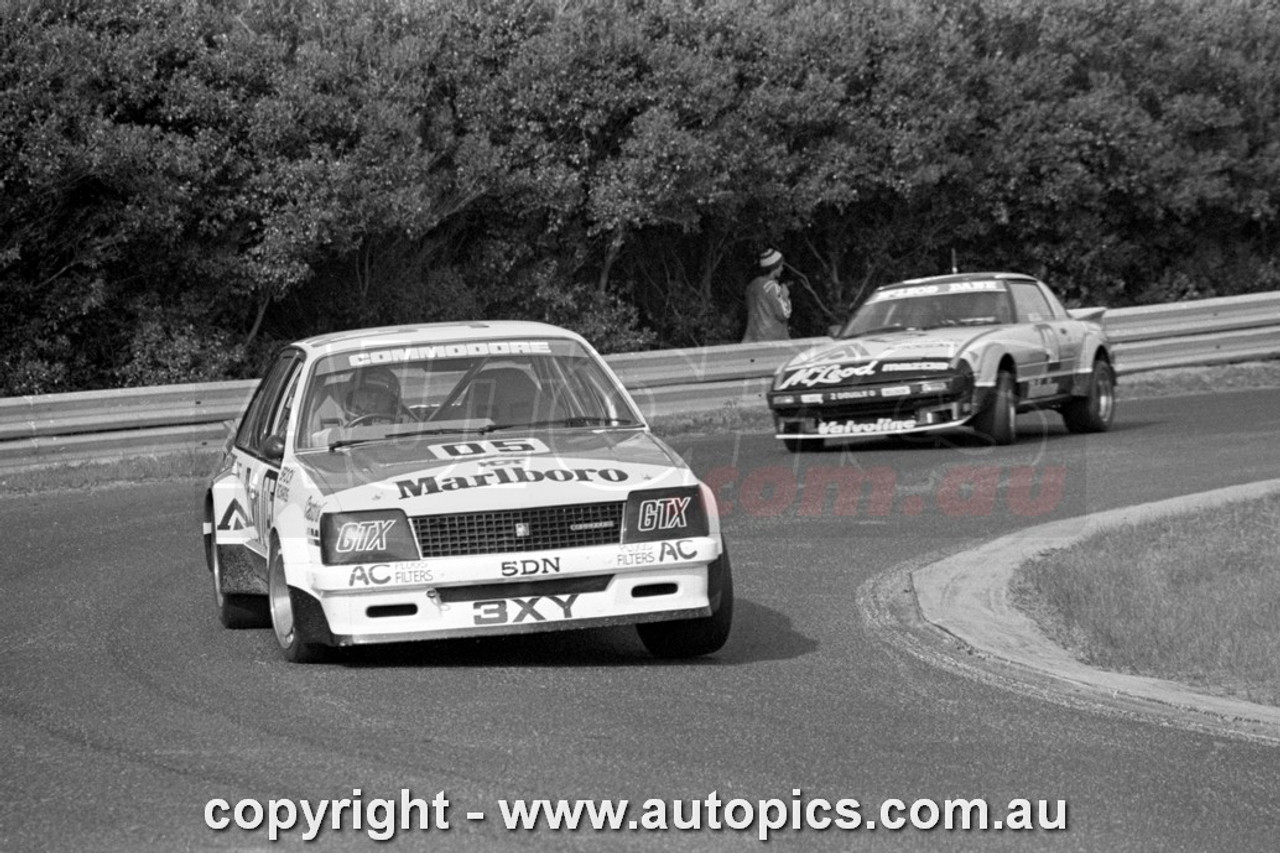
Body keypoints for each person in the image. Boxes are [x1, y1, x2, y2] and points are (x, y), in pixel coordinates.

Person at [741, 247, 792, 342]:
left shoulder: (752, 285)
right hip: (772, 340)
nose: (782, 268)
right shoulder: (772, 287)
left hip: (752, 338)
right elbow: (784, 314)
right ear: (774, 266)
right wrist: (785, 296)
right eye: (780, 265)